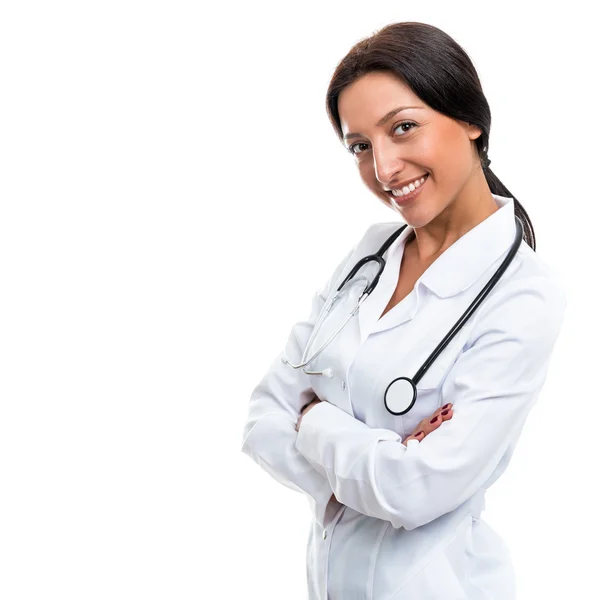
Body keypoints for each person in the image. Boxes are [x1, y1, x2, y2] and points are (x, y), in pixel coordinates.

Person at [240, 21, 567, 600]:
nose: (384, 169)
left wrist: (314, 418)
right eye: (361, 146)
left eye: (404, 128)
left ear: (471, 121)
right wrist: (379, 457)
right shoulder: (371, 251)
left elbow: (415, 491)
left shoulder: (524, 295)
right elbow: (263, 419)